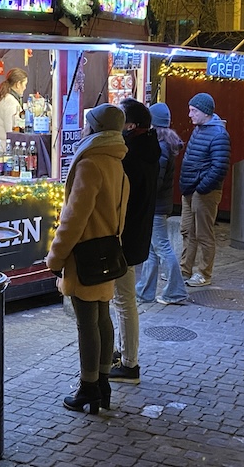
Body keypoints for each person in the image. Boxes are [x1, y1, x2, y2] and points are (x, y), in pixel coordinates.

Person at [46, 104, 129, 414]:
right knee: (102, 317)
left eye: (86, 125)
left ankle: (88, 387)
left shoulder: (90, 164)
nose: (82, 130)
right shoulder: (117, 164)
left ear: (95, 130)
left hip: (85, 256)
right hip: (107, 252)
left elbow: (73, 218)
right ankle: (103, 384)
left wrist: (56, 256)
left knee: (86, 323)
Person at [108, 98, 160, 385]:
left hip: (125, 235)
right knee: (122, 299)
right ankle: (123, 354)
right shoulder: (149, 147)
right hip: (137, 233)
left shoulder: (130, 155)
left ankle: (129, 363)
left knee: (124, 300)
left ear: (130, 125)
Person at [137, 102, 188, 305]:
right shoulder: (165, 144)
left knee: (162, 247)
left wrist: (142, 196)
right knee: (151, 249)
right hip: (158, 206)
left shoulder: (160, 147)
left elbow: (154, 181)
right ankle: (145, 291)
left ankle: (175, 291)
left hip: (156, 207)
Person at [179, 93, 230, 287]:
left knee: (203, 234)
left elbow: (219, 167)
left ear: (205, 112)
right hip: (191, 189)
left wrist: (201, 188)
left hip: (204, 192)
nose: (190, 115)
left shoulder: (218, 134)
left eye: (193, 111)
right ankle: (185, 270)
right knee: (187, 231)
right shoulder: (199, 129)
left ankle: (204, 273)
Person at [0, 68, 27, 142]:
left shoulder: (3, 96)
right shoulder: (10, 101)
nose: (25, 88)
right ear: (18, 84)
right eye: (24, 84)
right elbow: (11, 132)